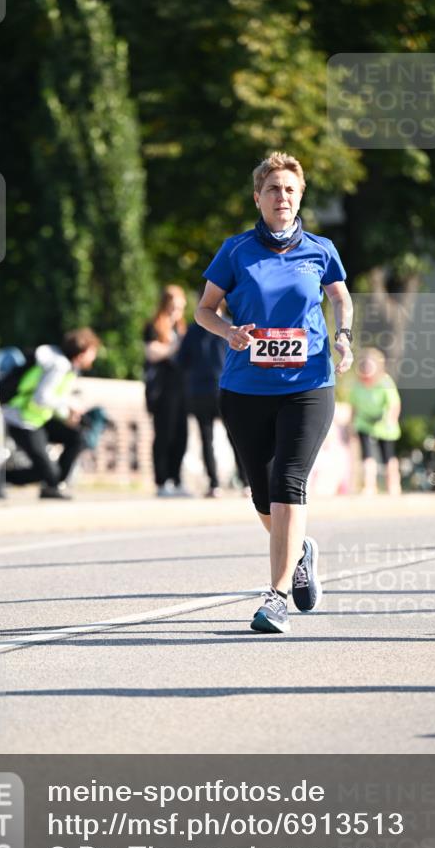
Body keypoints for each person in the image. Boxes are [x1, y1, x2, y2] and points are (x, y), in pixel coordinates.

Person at [195, 151, 354, 634]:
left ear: (299, 195)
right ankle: (300, 549)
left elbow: (341, 297)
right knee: (263, 494)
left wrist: (343, 336)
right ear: (258, 198)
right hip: (245, 388)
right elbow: (204, 310)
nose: (281, 196)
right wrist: (229, 333)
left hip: (308, 384)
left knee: (289, 481)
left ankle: (276, 596)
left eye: (289, 189)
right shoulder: (236, 250)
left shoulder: (321, 249)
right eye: (272, 189)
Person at [0, 328, 101, 500]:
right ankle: (3, 476)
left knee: (77, 437)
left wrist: (66, 411)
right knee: (49, 472)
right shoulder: (59, 365)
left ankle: (53, 485)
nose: (94, 357)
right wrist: (68, 409)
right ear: (82, 352)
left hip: (39, 419)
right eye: (92, 352)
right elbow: (41, 398)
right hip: (22, 420)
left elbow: (54, 395)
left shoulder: (68, 366)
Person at [178, 310, 250, 497]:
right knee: (235, 437)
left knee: (206, 438)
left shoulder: (193, 330)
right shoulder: (231, 327)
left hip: (200, 389)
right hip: (225, 387)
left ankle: (214, 484)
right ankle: (245, 482)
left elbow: (182, 361)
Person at [143, 286, 190, 497]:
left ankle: (176, 479)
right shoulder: (154, 326)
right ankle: (162, 481)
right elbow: (152, 353)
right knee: (164, 434)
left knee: (182, 435)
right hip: (162, 388)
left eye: (180, 308)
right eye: (173, 307)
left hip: (181, 388)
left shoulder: (182, 328)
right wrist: (176, 346)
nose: (176, 312)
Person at [349, 348, 401, 495]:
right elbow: (354, 405)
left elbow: (394, 403)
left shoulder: (385, 382)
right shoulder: (357, 384)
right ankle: (369, 486)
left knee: (388, 456)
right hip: (364, 422)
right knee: (367, 456)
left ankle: (393, 485)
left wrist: (390, 420)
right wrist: (351, 424)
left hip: (384, 423)